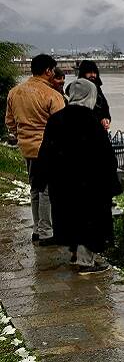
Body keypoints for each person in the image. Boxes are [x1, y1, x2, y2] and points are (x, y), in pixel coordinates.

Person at [33, 78, 122, 274]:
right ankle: (86, 263)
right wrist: (112, 184)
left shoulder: (56, 120)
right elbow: (105, 156)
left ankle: (74, 254)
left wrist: (40, 179)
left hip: (62, 183)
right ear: (91, 96)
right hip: (89, 185)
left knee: (68, 217)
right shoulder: (92, 122)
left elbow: (46, 151)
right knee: (90, 221)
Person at [4, 54, 65, 244]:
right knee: (48, 190)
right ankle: (47, 232)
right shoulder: (52, 95)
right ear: (48, 71)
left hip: (27, 148)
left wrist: (21, 135)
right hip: (48, 149)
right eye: (53, 70)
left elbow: (10, 122)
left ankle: (37, 228)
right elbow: (61, 126)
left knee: (35, 188)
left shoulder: (15, 92)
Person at [76, 60, 111, 130]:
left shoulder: (98, 89)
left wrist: (106, 119)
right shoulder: (77, 90)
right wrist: (99, 119)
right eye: (89, 72)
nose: (93, 75)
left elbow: (105, 108)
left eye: (94, 72)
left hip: (99, 131)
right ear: (83, 73)